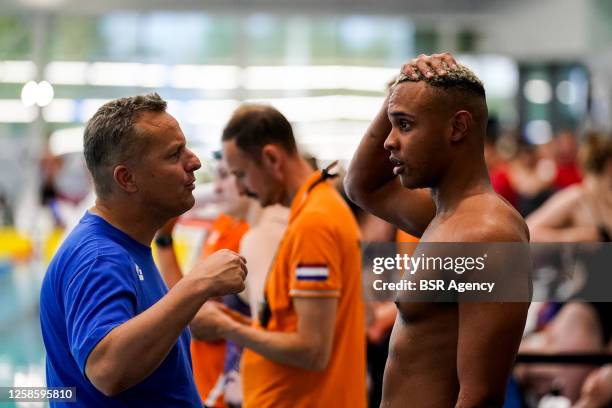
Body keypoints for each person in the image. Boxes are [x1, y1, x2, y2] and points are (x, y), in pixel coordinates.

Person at [344, 53, 530, 407]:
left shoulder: (488, 233)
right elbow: (362, 186)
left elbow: (480, 396)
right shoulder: (442, 214)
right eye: (390, 123)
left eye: (405, 125)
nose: (388, 141)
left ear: (458, 127)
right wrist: (399, 88)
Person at [39, 93, 247, 407]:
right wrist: (198, 284)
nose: (195, 161)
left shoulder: (128, 247)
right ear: (126, 178)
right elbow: (107, 369)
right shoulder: (100, 257)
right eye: (174, 154)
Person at [195, 104, 366, 408]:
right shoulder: (310, 212)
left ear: (272, 159)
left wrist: (226, 328)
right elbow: (286, 328)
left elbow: (312, 349)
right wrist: (229, 318)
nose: (243, 189)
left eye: (242, 175)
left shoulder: (315, 223)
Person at [155, 152, 287, 408]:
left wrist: (163, 241)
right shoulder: (224, 224)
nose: (217, 188)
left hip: (232, 387)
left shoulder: (256, 236)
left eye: (228, 175)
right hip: (210, 383)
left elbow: (190, 310)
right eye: (217, 176)